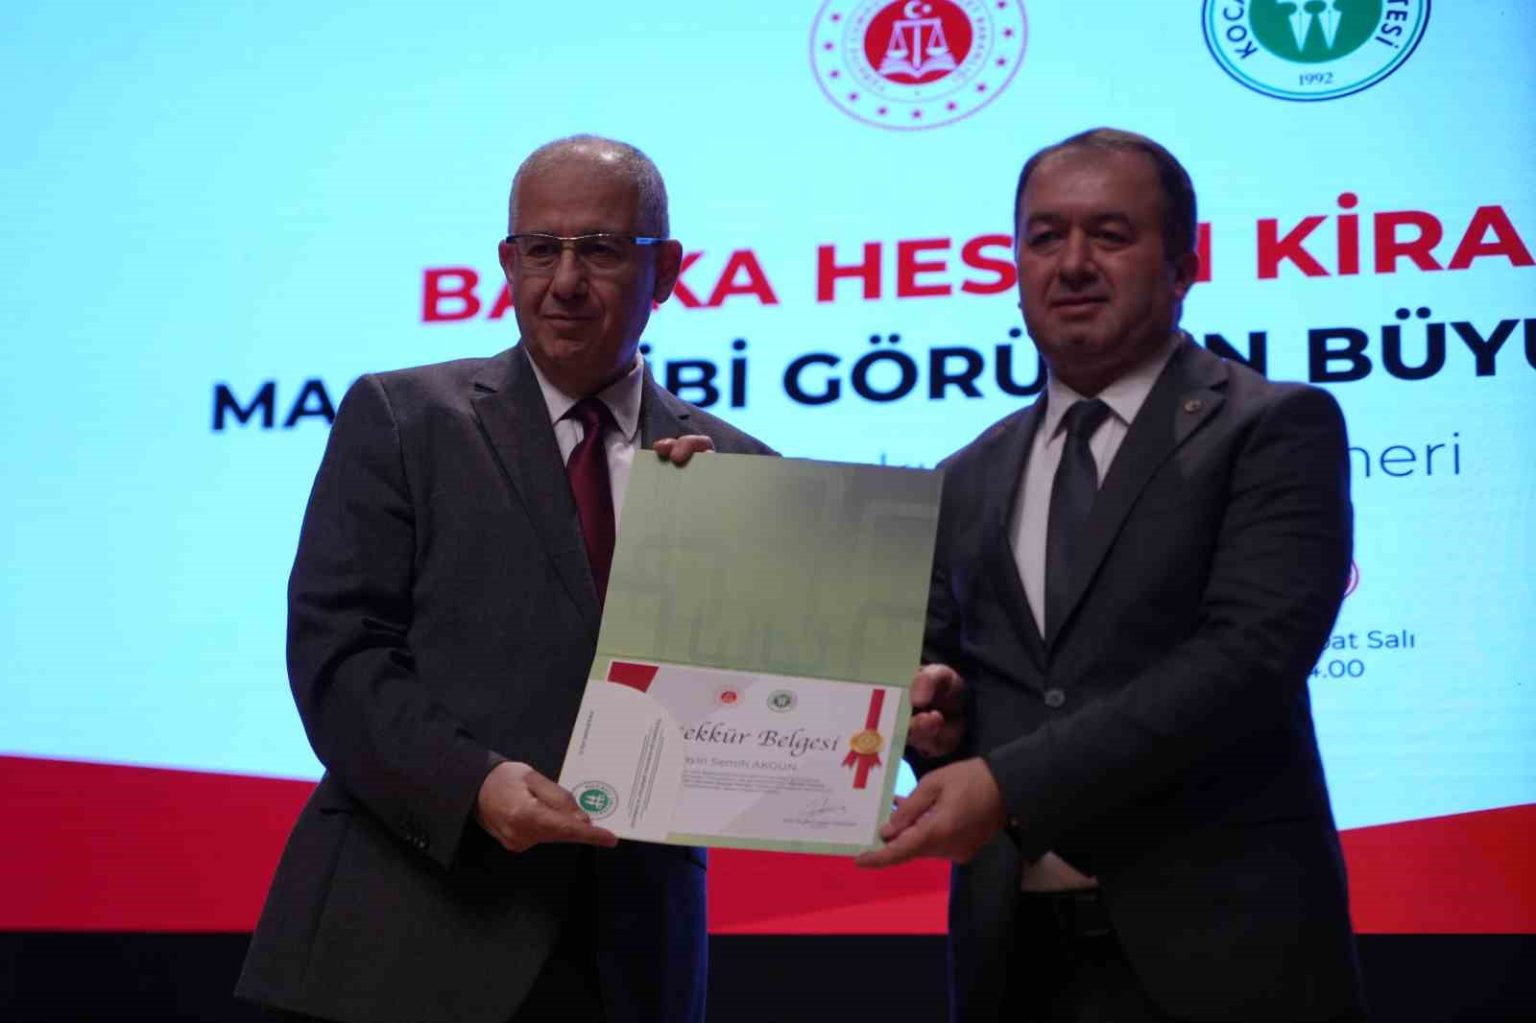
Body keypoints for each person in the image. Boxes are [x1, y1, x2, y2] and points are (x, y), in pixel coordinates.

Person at [236, 135, 772, 1023]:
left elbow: (774, 700)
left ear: (668, 271)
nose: (565, 281)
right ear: (507, 261)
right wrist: (473, 784)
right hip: (405, 935)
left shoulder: (735, 471)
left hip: (628, 955)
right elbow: (339, 657)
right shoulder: (403, 419)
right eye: (540, 248)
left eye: (600, 249)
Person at [857, 128, 1365, 1022]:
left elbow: (1250, 659)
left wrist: (1008, 782)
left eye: (1111, 234)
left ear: (1183, 267)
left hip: (1228, 953)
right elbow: (935, 681)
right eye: (1045, 236)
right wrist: (932, 713)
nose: (1072, 264)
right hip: (1015, 961)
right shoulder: (965, 474)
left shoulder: (1274, 428)